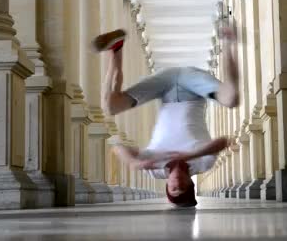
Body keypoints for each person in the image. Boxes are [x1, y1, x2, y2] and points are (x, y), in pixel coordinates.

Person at [91, 20, 239, 207]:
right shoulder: (202, 164)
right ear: (191, 184)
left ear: (167, 186)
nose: (178, 184)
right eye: (183, 188)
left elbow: (117, 147)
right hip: (192, 86)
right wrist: (187, 156)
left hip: (164, 87)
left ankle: (116, 48)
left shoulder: (154, 169)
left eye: (174, 189)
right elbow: (223, 142)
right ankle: (228, 42)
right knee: (232, 99)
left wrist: (133, 163)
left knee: (110, 107)